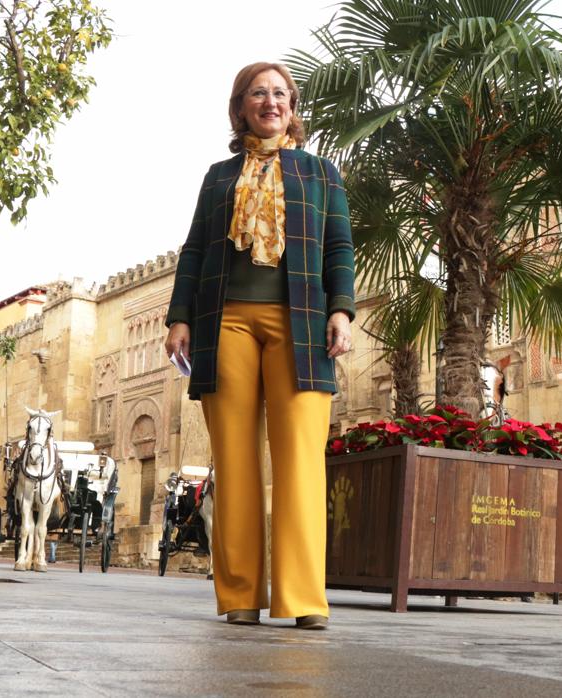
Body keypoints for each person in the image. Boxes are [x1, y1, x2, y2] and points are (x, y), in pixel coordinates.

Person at [164, 61, 356, 631]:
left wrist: (341, 309)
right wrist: (180, 318)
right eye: (257, 93)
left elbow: (339, 245)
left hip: (301, 323)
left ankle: (302, 598)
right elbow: (195, 249)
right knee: (235, 463)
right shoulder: (219, 176)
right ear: (241, 106)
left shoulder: (320, 173)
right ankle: (240, 595)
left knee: (301, 460)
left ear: (293, 107)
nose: (269, 102)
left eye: (279, 93)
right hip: (225, 322)